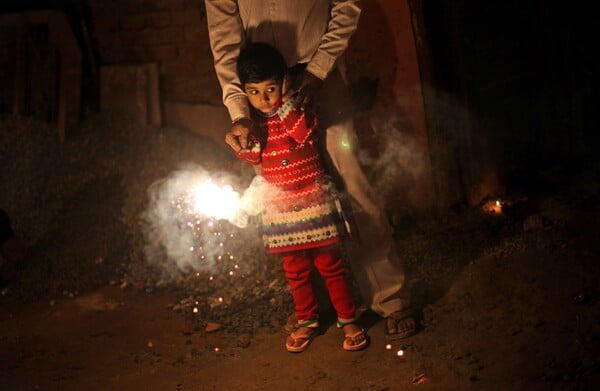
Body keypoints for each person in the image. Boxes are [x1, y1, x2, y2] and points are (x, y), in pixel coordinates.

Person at [205, 0, 417, 339]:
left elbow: (347, 7)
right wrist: (240, 112)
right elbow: (224, 40)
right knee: (285, 198)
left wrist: (317, 71)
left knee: (353, 185)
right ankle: (316, 308)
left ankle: (390, 300)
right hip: (262, 91)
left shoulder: (318, 74)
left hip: (321, 76)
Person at [235, 41, 367, 353]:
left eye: (270, 89)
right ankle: (307, 320)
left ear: (284, 82)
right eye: (253, 92)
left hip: (313, 201)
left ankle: (347, 319)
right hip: (281, 210)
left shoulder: (300, 109)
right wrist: (245, 143)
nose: (263, 99)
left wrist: (286, 104)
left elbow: (304, 132)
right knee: (295, 271)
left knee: (330, 264)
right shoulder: (255, 124)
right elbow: (253, 158)